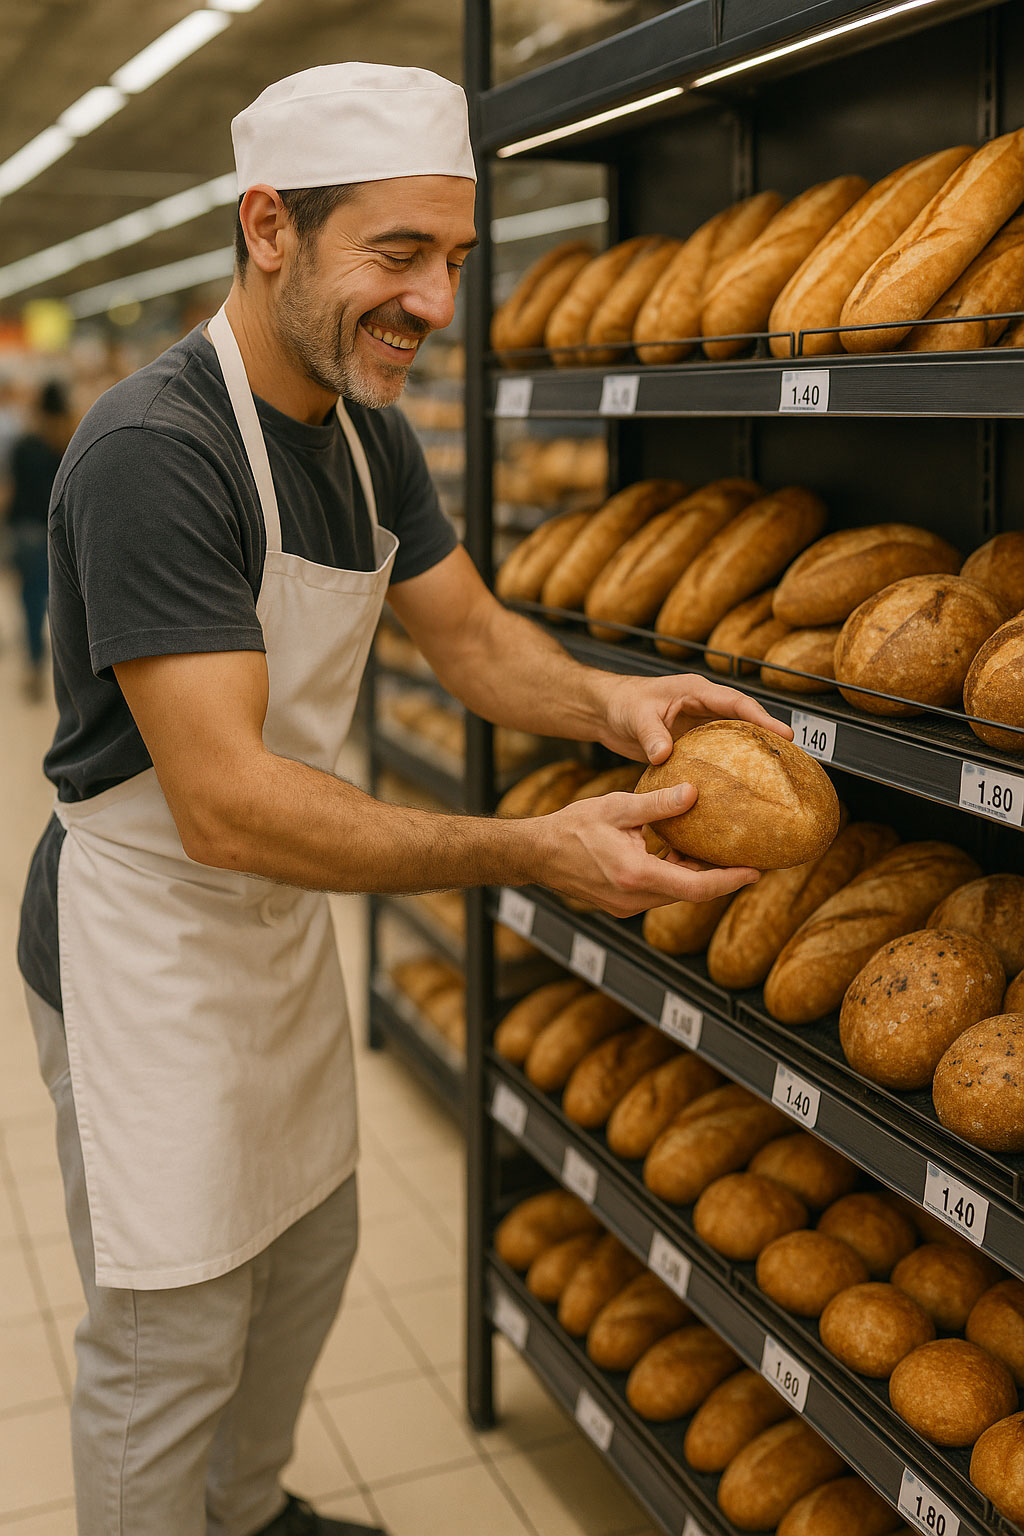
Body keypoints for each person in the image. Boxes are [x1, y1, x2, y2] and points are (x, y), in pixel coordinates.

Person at [17, 62, 788, 1536]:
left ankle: (244, 1517)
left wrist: (614, 702)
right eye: (396, 256)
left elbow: (477, 640)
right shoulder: (156, 453)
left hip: (281, 912)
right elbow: (227, 807)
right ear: (268, 229)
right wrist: (530, 850)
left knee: (304, 1258)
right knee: (171, 1335)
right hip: (151, 934)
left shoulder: (369, 435)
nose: (436, 302)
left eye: (453, 260)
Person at [6, 380, 72, 698]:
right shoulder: (69, 445)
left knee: (31, 605)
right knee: (66, 610)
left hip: (27, 534)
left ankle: (34, 668)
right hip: (59, 535)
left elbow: (12, 491)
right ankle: (70, 676)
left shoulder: (24, 445)